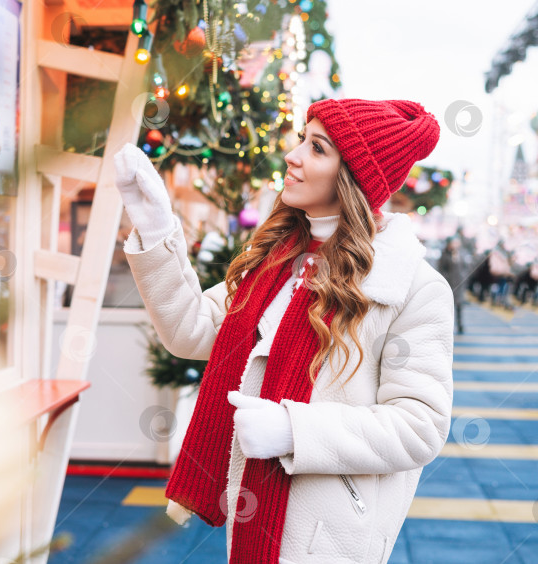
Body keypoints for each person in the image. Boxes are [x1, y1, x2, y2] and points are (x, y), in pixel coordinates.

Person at [115, 98, 454, 564]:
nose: (293, 156)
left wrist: (295, 431)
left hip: (329, 534)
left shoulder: (412, 287)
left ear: (354, 177)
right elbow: (189, 329)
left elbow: (420, 426)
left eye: (317, 148)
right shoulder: (277, 260)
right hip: (256, 511)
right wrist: (155, 228)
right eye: (302, 139)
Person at [438, 236, 466, 333]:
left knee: (459, 306)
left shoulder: (458, 254)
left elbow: (463, 267)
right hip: (449, 285)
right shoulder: (445, 255)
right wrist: (447, 279)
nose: (455, 245)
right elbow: (441, 270)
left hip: (459, 284)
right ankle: (446, 327)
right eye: (453, 243)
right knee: (448, 307)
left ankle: (460, 325)